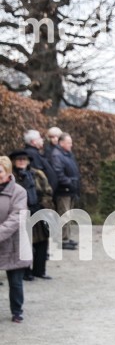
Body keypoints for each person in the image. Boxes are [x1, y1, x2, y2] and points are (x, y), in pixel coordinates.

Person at [0, 156, 33, 322]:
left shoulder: (19, 192)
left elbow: (17, 217)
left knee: (15, 281)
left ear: (7, 172)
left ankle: (17, 311)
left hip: (15, 242)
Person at [10, 151, 52, 281]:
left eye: (24, 159)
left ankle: (39, 270)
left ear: (28, 161)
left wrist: (44, 205)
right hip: (21, 212)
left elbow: (47, 191)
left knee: (42, 241)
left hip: (38, 209)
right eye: (19, 159)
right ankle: (25, 271)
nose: (22, 161)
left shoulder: (37, 174)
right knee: (24, 243)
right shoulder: (11, 176)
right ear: (14, 162)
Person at [50, 132, 80, 250]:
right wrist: (71, 183)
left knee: (68, 214)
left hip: (70, 189)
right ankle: (62, 239)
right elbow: (58, 174)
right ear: (61, 143)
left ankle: (66, 237)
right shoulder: (57, 155)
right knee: (64, 214)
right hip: (63, 190)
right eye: (69, 143)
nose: (71, 145)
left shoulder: (67, 154)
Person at [22, 129, 58, 198]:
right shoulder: (32, 154)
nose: (42, 140)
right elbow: (38, 176)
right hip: (41, 196)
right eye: (40, 138)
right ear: (33, 142)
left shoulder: (36, 152)